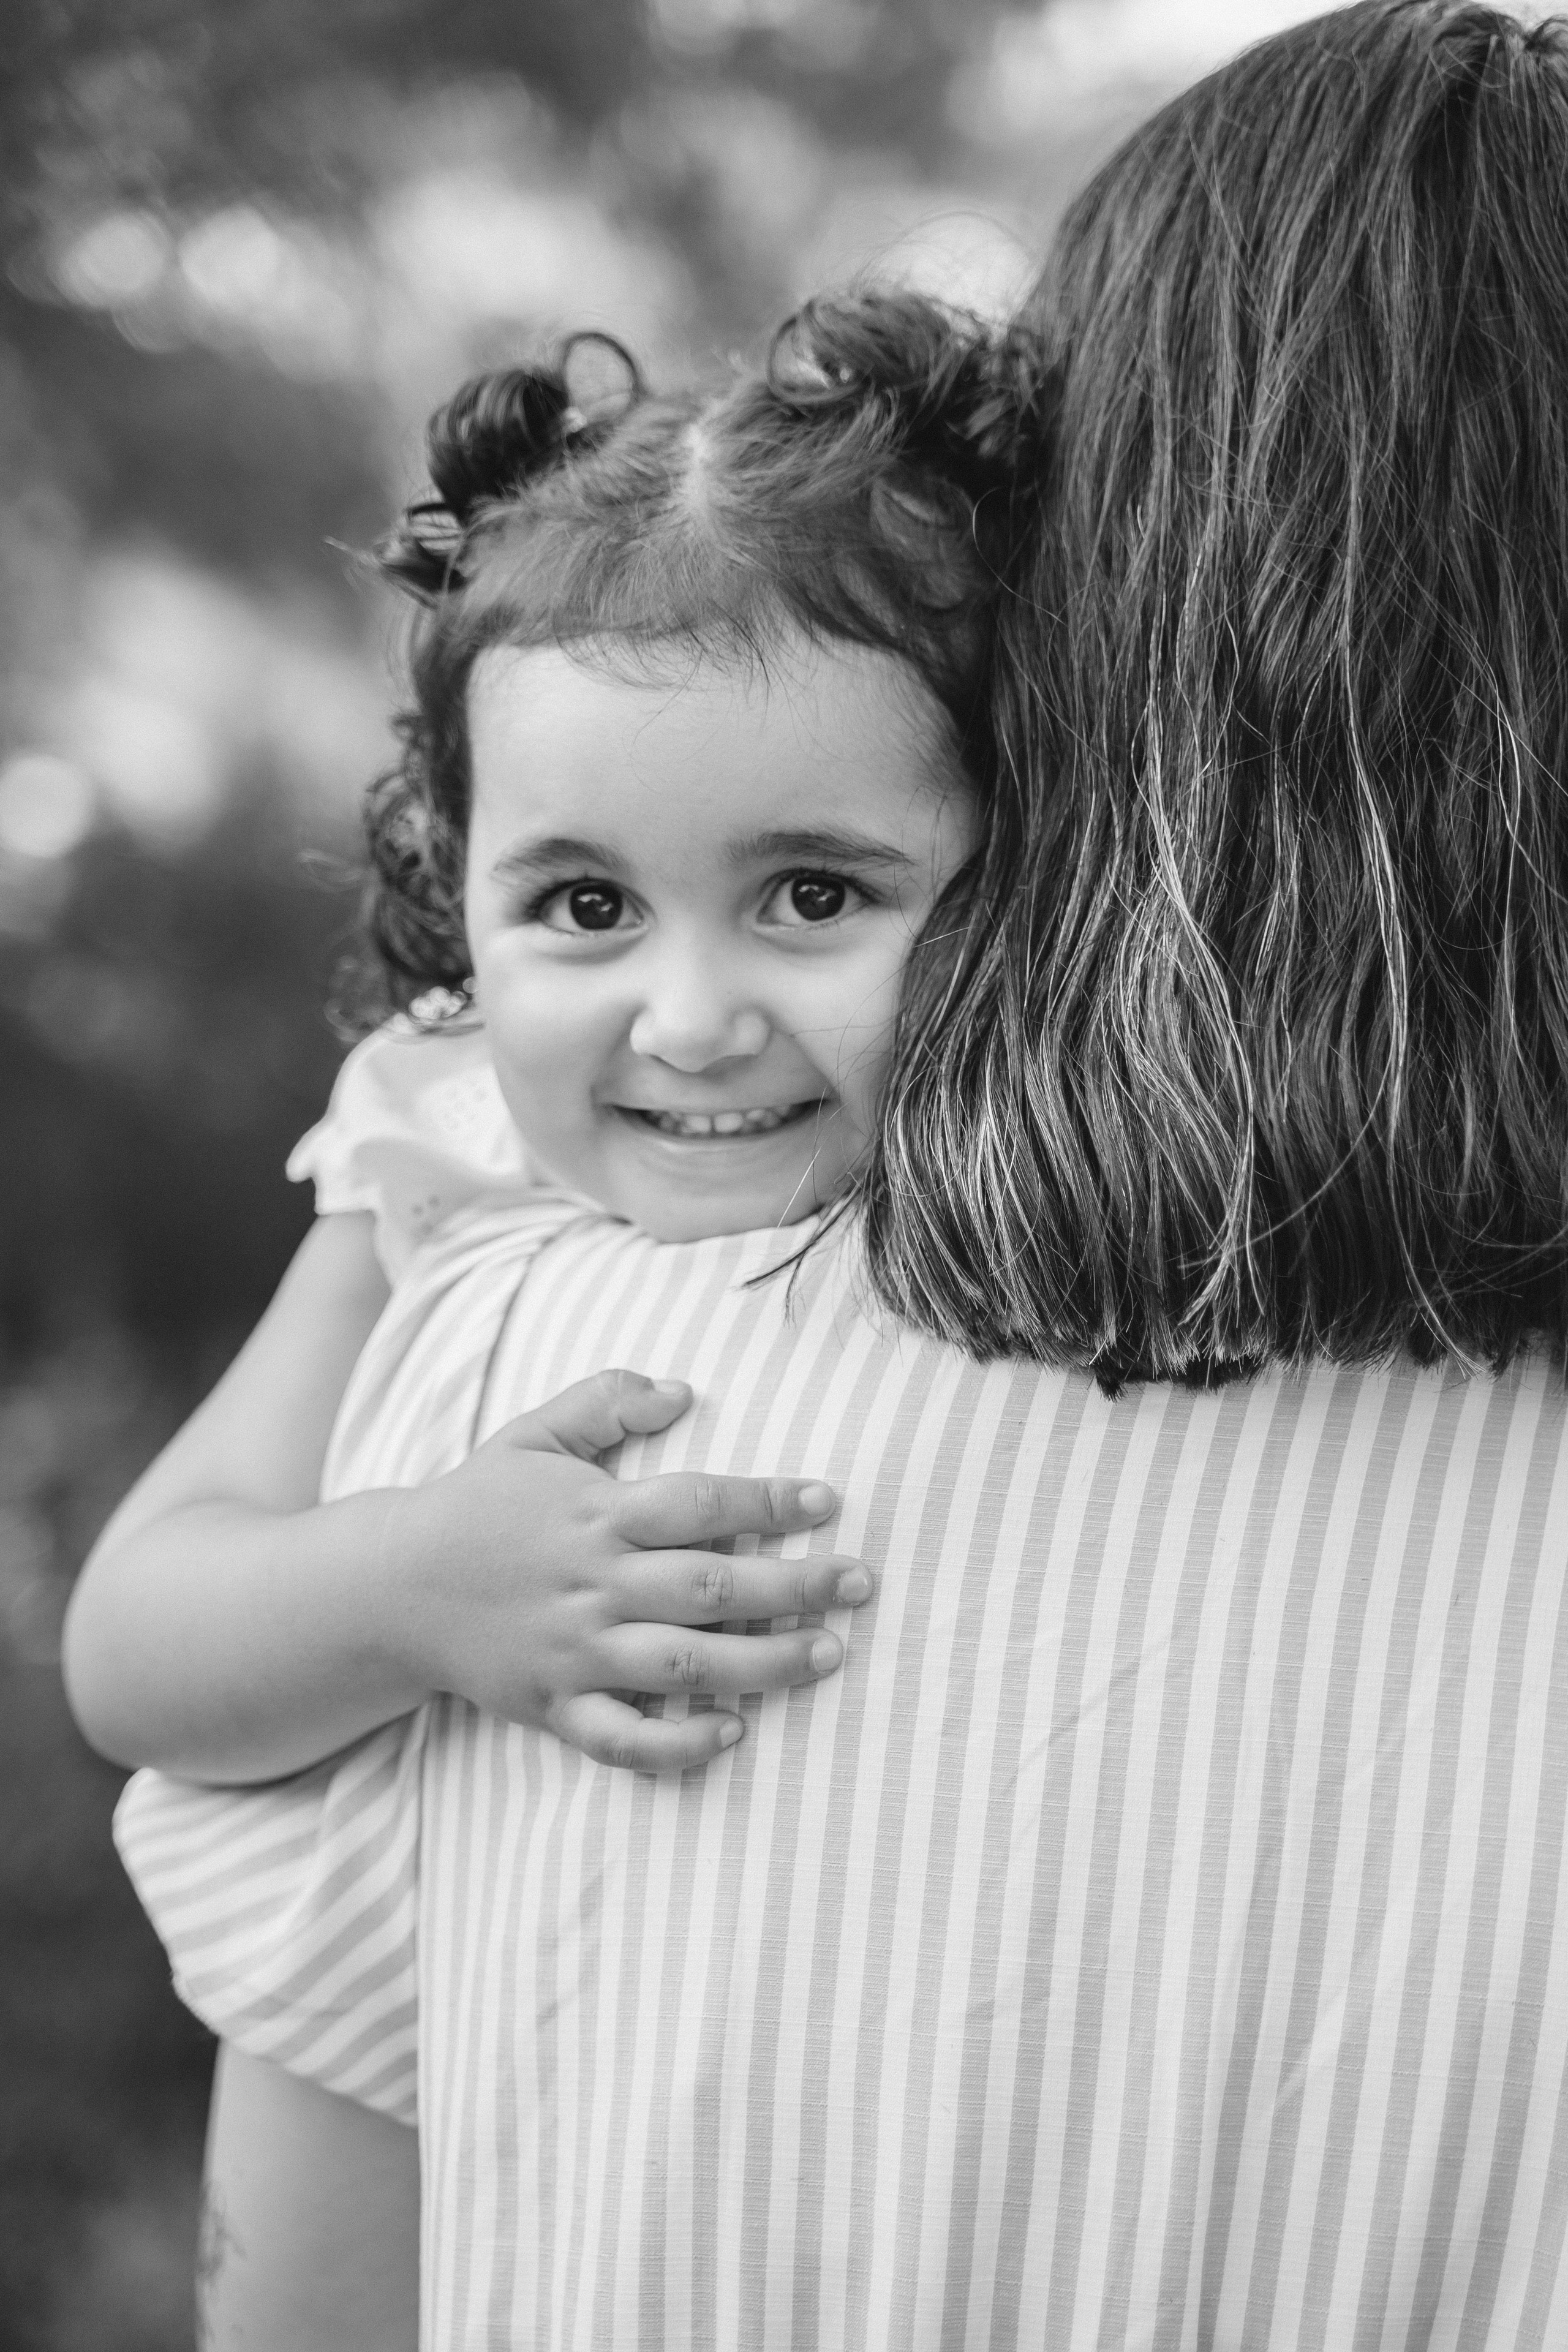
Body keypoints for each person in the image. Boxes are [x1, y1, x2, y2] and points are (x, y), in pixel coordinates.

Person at [71, 2, 1568, 2345]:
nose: (687, 1021)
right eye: (579, 904)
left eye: (817, 895)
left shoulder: (577, 1363)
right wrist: (401, 1588)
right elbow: (145, 1644)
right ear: (456, 902)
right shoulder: (464, 1261)